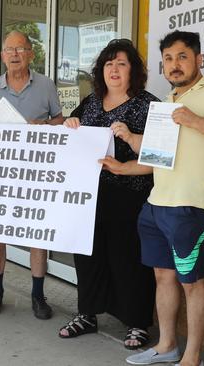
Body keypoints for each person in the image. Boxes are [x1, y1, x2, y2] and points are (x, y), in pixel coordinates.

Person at [125, 31, 204, 366]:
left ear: (199, 59)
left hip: (190, 207)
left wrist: (195, 120)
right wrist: (128, 140)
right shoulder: (166, 102)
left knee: (192, 283)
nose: (174, 64)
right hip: (157, 205)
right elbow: (156, 155)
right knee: (162, 277)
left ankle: (192, 358)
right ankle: (167, 345)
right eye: (168, 58)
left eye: (182, 56)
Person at [58, 39, 157, 350]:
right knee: (88, 255)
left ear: (133, 71)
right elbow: (69, 130)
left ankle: (137, 322)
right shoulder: (90, 102)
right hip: (88, 196)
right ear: (101, 70)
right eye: (109, 63)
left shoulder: (147, 104)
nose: (114, 69)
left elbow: (159, 154)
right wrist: (69, 123)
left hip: (130, 197)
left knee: (128, 258)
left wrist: (127, 150)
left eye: (122, 63)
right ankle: (87, 313)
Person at [0, 30, 63, 320]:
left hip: (36, 171)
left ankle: (38, 295)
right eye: (9, 49)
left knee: (37, 234)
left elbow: (61, 118)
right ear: (2, 56)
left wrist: (46, 124)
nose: (14, 54)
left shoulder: (46, 85)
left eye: (20, 49)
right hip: (1, 172)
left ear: (31, 54)